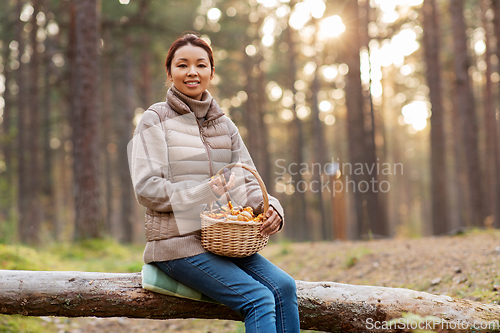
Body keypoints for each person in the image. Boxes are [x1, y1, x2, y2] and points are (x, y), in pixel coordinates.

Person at [129, 33, 300, 333]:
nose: (192, 72)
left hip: (221, 243)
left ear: (211, 71)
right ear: (170, 72)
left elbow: (247, 180)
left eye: (201, 65)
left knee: (284, 287)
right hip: (176, 245)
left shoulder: (224, 124)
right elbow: (147, 188)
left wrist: (272, 207)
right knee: (259, 298)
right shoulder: (155, 119)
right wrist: (203, 192)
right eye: (182, 65)